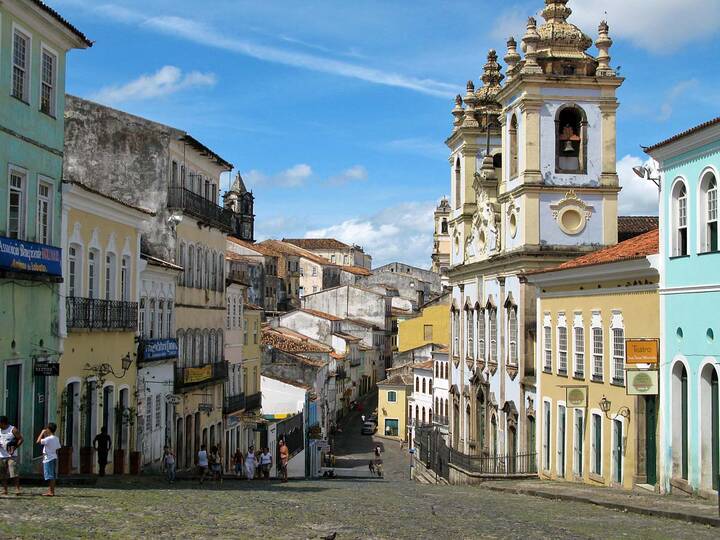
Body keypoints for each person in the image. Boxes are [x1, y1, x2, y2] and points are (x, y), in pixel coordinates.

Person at [0, 415, 23, 496]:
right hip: (1, 455)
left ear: (3, 423)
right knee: (2, 474)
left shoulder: (13, 429)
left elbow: (20, 439)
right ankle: (4, 489)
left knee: (14, 472)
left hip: (11, 455)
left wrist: (15, 447)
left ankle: (17, 489)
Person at [36, 423, 61, 497]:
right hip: (53, 457)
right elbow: (57, 448)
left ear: (49, 430)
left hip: (48, 458)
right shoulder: (56, 438)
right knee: (52, 475)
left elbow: (38, 441)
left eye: (47, 429)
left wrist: (42, 433)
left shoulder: (48, 439)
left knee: (50, 476)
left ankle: (51, 491)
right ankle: (51, 491)